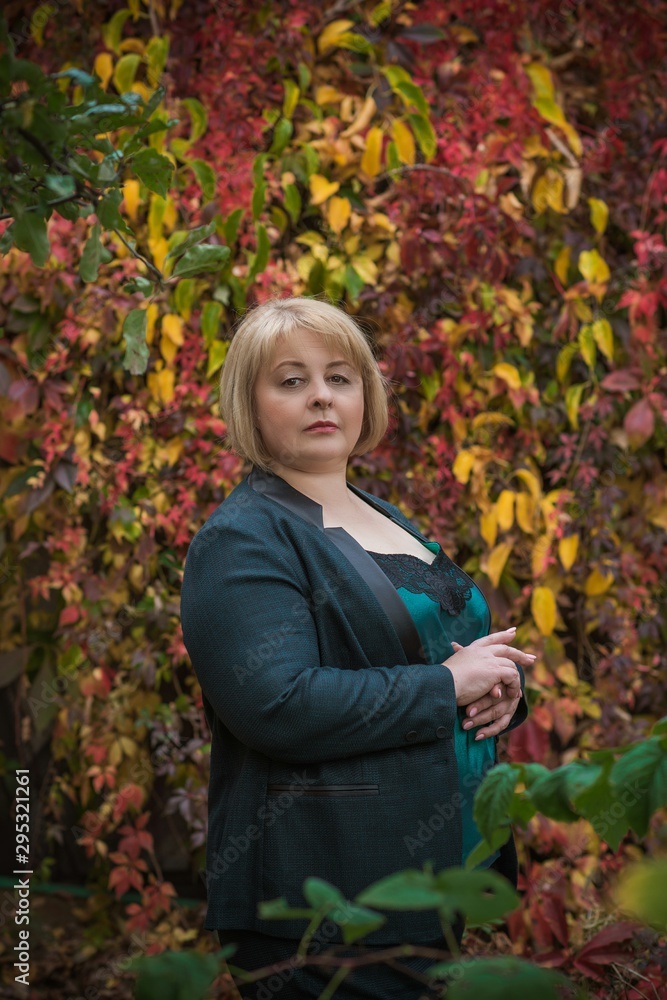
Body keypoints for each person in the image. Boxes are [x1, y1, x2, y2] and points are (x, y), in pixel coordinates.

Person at [180, 297, 530, 999]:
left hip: (432, 877)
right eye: (291, 381)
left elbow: (433, 648)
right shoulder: (242, 538)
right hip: (330, 896)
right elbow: (277, 705)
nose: (321, 396)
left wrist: (499, 688)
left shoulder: (380, 513)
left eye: (339, 377)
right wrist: (446, 686)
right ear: (250, 404)